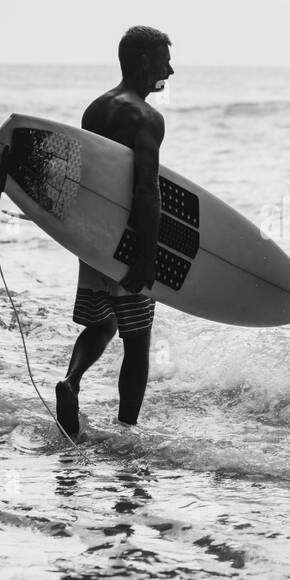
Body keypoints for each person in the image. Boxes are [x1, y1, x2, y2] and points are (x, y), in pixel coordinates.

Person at [54, 26, 172, 440]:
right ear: (143, 63)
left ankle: (71, 381)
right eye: (163, 61)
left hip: (93, 235)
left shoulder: (96, 109)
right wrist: (146, 253)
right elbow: (146, 188)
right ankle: (127, 432)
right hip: (129, 239)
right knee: (137, 341)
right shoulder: (147, 117)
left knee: (101, 325)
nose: (170, 70)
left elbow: (92, 178)